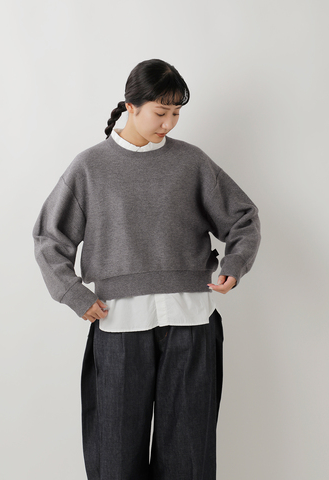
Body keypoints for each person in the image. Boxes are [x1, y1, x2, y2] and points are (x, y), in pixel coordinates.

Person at [32, 58, 261, 480]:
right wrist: (73, 293)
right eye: (161, 112)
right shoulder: (90, 167)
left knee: (188, 458)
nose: (168, 123)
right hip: (119, 322)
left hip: (191, 320)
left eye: (176, 113)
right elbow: (50, 237)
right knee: (115, 456)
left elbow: (243, 218)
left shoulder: (192, 162)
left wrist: (235, 262)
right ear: (130, 106)